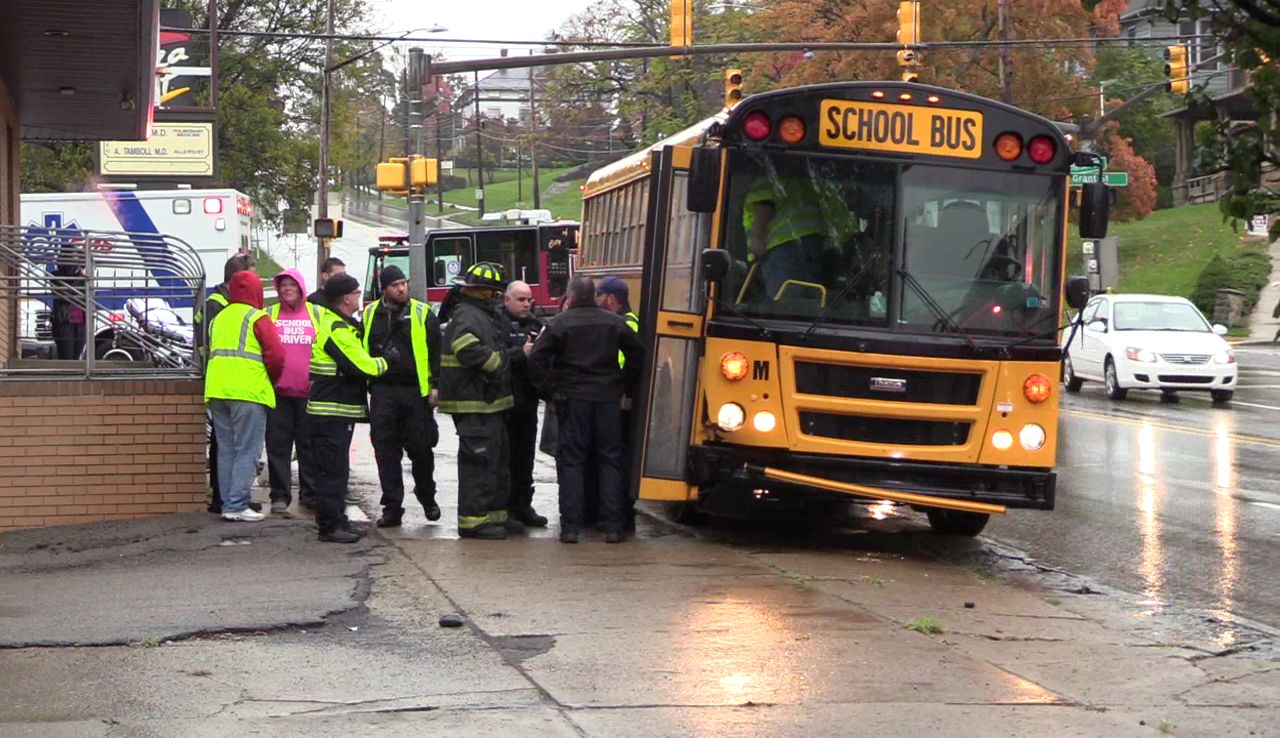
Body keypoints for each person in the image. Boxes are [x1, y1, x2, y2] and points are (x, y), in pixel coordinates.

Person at [530, 276, 643, 544]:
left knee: (572, 461)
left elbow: (536, 358)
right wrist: (624, 384)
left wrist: (550, 391)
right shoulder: (614, 322)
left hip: (573, 400)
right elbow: (638, 351)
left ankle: (571, 527)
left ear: (570, 297)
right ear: (593, 296)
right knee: (610, 459)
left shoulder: (559, 323)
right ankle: (614, 526)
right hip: (607, 400)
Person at [438, 262, 518, 540]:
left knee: (496, 461)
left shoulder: (481, 314)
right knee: (479, 464)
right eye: (494, 291)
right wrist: (495, 364)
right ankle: (473, 522)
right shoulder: (467, 315)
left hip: (488, 403)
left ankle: (495, 515)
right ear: (482, 291)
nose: (496, 296)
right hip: (473, 403)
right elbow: (465, 347)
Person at [307, 273, 389, 543]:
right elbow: (360, 366)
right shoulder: (337, 329)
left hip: (334, 413)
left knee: (337, 470)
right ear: (346, 298)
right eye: (356, 293)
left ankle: (338, 522)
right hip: (330, 413)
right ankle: (331, 527)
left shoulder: (342, 325)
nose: (359, 297)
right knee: (331, 472)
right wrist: (386, 362)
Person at [362, 265, 443, 528]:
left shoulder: (422, 313)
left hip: (415, 393)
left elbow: (436, 353)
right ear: (384, 289)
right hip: (383, 392)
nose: (401, 288)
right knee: (385, 451)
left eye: (403, 283)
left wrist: (435, 386)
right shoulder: (371, 313)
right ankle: (392, 507)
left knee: (421, 451)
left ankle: (427, 496)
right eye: (395, 284)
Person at [204, 271, 285, 522]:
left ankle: (229, 503)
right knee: (247, 450)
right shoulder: (257, 318)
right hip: (248, 391)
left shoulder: (218, 318)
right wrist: (271, 379)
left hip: (217, 390)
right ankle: (237, 505)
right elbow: (277, 356)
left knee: (226, 450)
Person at [199, 254, 257, 515]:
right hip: (227, 383)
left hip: (225, 382)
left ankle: (232, 497)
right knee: (229, 447)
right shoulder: (217, 304)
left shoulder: (223, 302)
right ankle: (224, 499)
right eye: (252, 274)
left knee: (230, 447)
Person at [266, 269, 324, 517]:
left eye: (292, 285)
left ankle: (310, 494)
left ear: (301, 288)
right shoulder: (269, 315)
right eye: (283, 285)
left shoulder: (316, 314)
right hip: (277, 393)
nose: (287, 289)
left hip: (308, 393)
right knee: (278, 446)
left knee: (308, 446)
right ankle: (280, 496)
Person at [593, 276, 642, 528]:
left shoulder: (626, 324)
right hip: (616, 396)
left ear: (611, 299)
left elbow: (631, 361)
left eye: (599, 295)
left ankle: (621, 514)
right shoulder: (620, 321)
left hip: (620, 398)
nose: (597, 300)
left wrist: (624, 390)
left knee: (616, 457)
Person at [502, 280, 548, 528]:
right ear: (507, 299)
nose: (526, 304)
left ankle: (523, 505)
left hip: (528, 402)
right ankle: (504, 507)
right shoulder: (496, 324)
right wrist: (521, 353)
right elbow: (494, 358)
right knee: (504, 457)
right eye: (520, 299)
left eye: (529, 299)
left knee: (525, 456)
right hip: (504, 401)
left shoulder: (535, 324)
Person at [744, 176, 827, 297]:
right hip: (812, 241)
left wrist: (757, 239)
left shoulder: (767, 176)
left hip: (783, 246)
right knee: (809, 295)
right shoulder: (803, 179)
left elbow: (765, 206)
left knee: (783, 300)